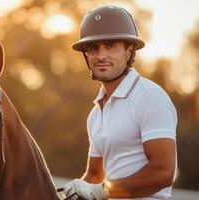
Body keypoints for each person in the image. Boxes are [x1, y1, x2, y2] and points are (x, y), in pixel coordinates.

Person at [63, 5, 177, 200]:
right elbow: (95, 175)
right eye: (93, 48)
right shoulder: (95, 114)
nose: (100, 56)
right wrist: (77, 192)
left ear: (129, 50)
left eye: (110, 46)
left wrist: (101, 191)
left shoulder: (150, 97)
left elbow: (163, 173)